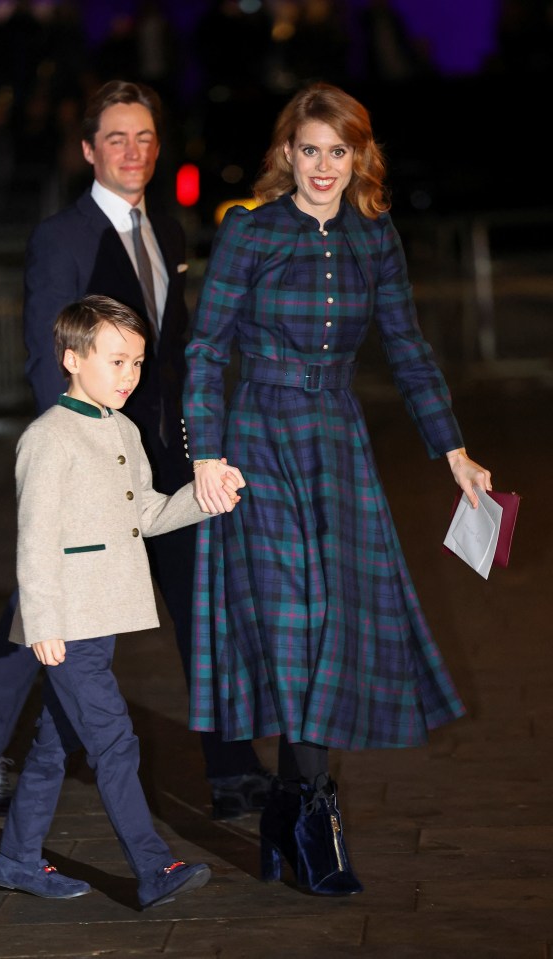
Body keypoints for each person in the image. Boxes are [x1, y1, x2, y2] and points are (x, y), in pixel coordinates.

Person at [182, 82, 493, 897]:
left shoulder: (374, 238)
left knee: (331, 629)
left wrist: (452, 451)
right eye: (310, 149)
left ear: (360, 156)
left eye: (339, 151)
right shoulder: (250, 232)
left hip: (337, 444)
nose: (324, 166)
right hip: (256, 441)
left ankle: (287, 803)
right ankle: (317, 816)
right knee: (297, 626)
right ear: (287, 154)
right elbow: (207, 350)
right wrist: (206, 453)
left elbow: (408, 347)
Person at [0, 80, 269, 821]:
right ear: (89, 148)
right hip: (91, 453)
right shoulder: (60, 238)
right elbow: (44, 355)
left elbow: (179, 350)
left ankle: (230, 768)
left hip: (169, 453)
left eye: (147, 137)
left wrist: (205, 443)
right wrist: (69, 452)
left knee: (204, 605)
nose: (136, 151)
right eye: (118, 138)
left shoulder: (170, 223)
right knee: (38, 603)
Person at [0, 295, 243, 904]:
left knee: (56, 745)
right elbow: (35, 541)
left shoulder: (123, 428)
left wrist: (204, 498)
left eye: (136, 363)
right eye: (116, 361)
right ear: (73, 360)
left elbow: (148, 514)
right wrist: (43, 623)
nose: (130, 375)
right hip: (67, 624)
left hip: (98, 621)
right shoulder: (49, 438)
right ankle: (154, 868)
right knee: (114, 740)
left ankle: (18, 860)